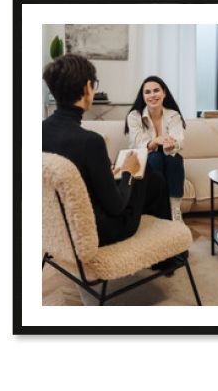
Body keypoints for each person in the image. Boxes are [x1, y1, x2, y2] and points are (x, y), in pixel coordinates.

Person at [42, 54, 176, 268]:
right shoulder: (90, 142)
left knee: (156, 180)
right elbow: (117, 206)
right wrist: (128, 172)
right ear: (88, 87)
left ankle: (168, 253)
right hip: (100, 230)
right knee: (147, 173)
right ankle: (167, 256)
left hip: (58, 227)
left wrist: (107, 172)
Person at [125, 76, 186, 221]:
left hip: (167, 157)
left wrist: (170, 144)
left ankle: (175, 210)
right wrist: (155, 141)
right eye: (147, 92)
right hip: (143, 158)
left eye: (156, 90)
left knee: (175, 158)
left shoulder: (173, 115)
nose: (152, 95)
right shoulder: (134, 116)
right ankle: (158, 210)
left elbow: (179, 141)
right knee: (155, 157)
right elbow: (139, 143)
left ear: (164, 93)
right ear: (143, 96)